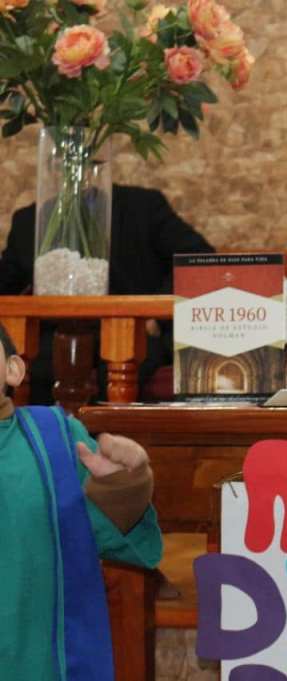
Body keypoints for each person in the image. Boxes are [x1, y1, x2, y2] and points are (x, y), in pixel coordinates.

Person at [0, 321, 163, 681]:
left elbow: (115, 537)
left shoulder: (55, 441)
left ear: (13, 370)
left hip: (39, 662)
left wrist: (121, 487)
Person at [0, 183, 214, 403]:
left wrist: (155, 318)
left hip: (133, 330)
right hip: (53, 335)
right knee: (31, 367)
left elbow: (199, 261)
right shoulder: (30, 219)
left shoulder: (142, 206)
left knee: (125, 360)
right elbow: (7, 282)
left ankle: (106, 426)